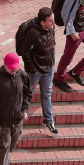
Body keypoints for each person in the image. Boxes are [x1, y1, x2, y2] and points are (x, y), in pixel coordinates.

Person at [21, 7, 58, 135]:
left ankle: (49, 120)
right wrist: (33, 69)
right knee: (28, 93)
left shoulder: (51, 28)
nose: (53, 23)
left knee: (47, 93)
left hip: (49, 67)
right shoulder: (32, 33)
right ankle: (19, 116)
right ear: (42, 22)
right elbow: (25, 53)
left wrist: (52, 62)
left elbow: (53, 45)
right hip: (35, 71)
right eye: (50, 21)